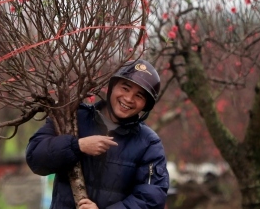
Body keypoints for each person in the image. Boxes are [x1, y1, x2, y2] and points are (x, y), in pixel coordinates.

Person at [26, 59, 169, 209]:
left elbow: (152, 198)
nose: (128, 99)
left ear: (145, 105)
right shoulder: (74, 117)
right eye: (125, 88)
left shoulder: (149, 143)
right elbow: (35, 158)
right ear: (112, 87)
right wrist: (77, 146)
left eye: (139, 96)